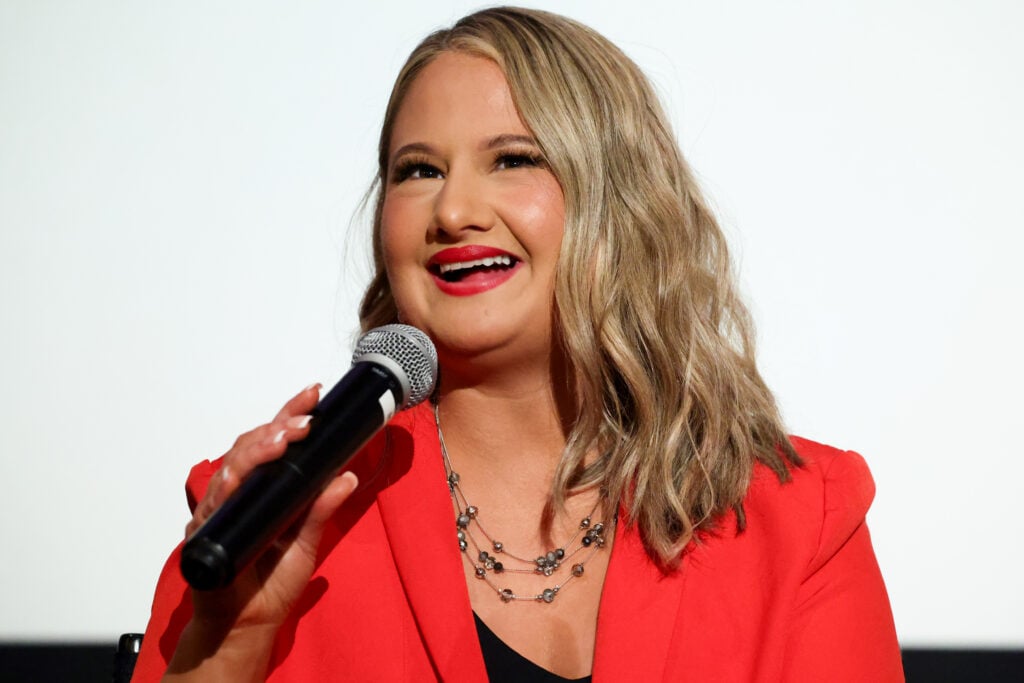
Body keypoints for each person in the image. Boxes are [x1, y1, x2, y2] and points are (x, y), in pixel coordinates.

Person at [133, 7, 903, 681]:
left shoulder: (799, 522)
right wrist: (228, 644)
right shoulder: (264, 521)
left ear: (620, 199)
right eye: (418, 171)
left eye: (512, 159)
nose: (454, 209)